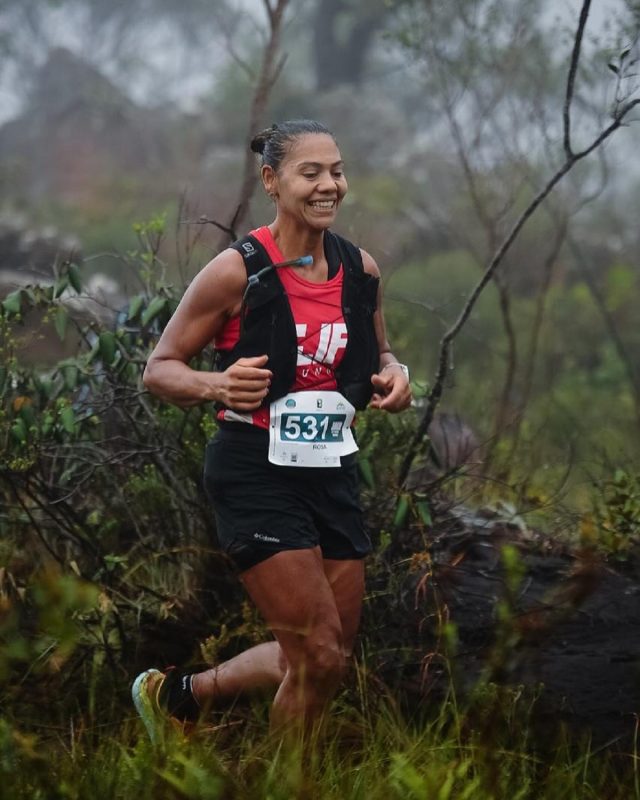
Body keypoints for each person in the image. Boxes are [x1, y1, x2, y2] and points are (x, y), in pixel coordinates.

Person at [132, 119, 412, 744]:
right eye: (310, 173)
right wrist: (216, 385)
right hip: (254, 469)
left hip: (330, 470)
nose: (328, 185)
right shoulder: (237, 271)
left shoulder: (358, 270)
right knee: (319, 658)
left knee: (318, 658)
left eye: (335, 171)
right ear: (272, 180)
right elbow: (160, 369)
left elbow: (382, 356)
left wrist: (395, 377)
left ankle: (175, 696)